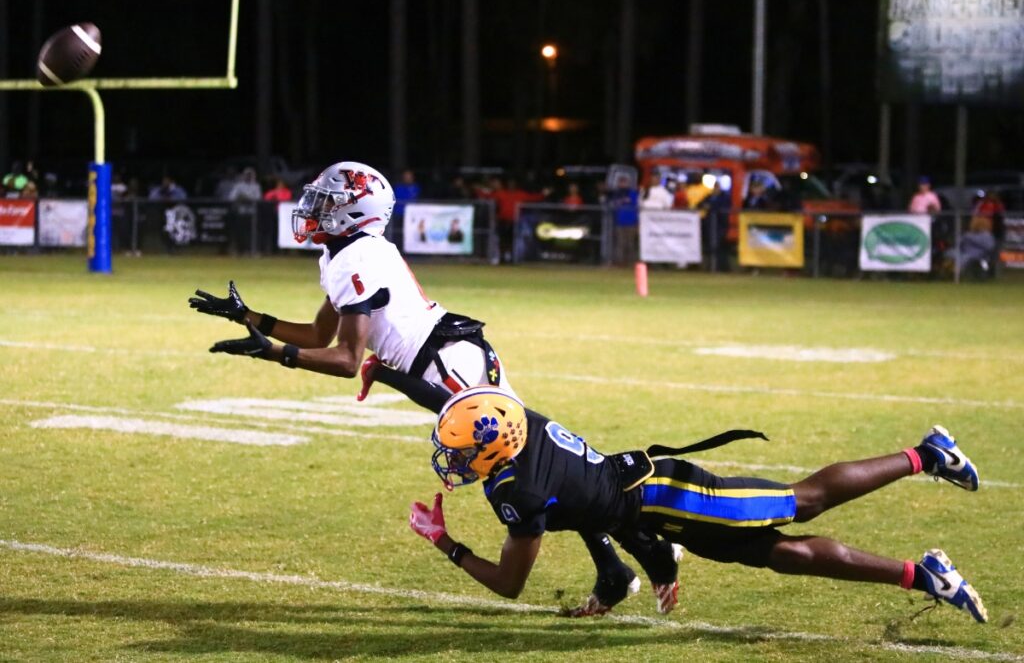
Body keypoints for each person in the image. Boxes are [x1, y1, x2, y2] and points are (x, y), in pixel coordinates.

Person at [189, 160, 654, 614]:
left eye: (326, 201)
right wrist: (252, 318)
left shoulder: (358, 257)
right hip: (446, 355)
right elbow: (318, 336)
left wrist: (272, 353)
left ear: (357, 210)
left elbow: (347, 359)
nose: (314, 207)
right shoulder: (341, 252)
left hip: (444, 366)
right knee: (539, 462)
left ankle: (635, 549)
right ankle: (616, 563)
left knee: (521, 473)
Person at [369, 370, 987, 624]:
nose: (453, 459)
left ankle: (928, 455)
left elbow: (509, 583)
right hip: (654, 509)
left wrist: (443, 541)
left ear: (494, 448)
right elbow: (456, 400)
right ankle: (923, 575)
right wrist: (391, 373)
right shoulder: (515, 417)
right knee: (783, 555)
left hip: (669, 497)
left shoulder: (517, 490)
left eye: (462, 451)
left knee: (805, 501)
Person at [699, 179, 732, 272]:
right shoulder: (709, 196)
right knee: (709, 246)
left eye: (717, 187)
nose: (716, 189)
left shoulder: (725, 197)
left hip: (720, 225)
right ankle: (711, 266)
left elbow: (724, 207)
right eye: (714, 187)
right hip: (709, 225)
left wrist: (711, 206)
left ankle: (721, 267)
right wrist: (706, 205)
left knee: (719, 246)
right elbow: (700, 204)